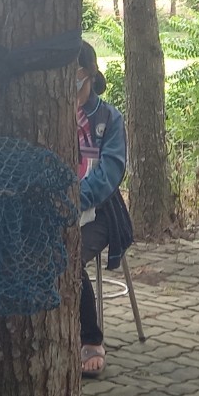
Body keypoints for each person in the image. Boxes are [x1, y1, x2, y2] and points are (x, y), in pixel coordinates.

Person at [75, 41, 133, 379]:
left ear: (91, 75)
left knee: (67, 254)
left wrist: (73, 200)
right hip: (56, 209)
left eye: (78, 75)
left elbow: (110, 172)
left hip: (99, 213)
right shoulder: (49, 111)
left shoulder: (109, 117)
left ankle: (91, 338)